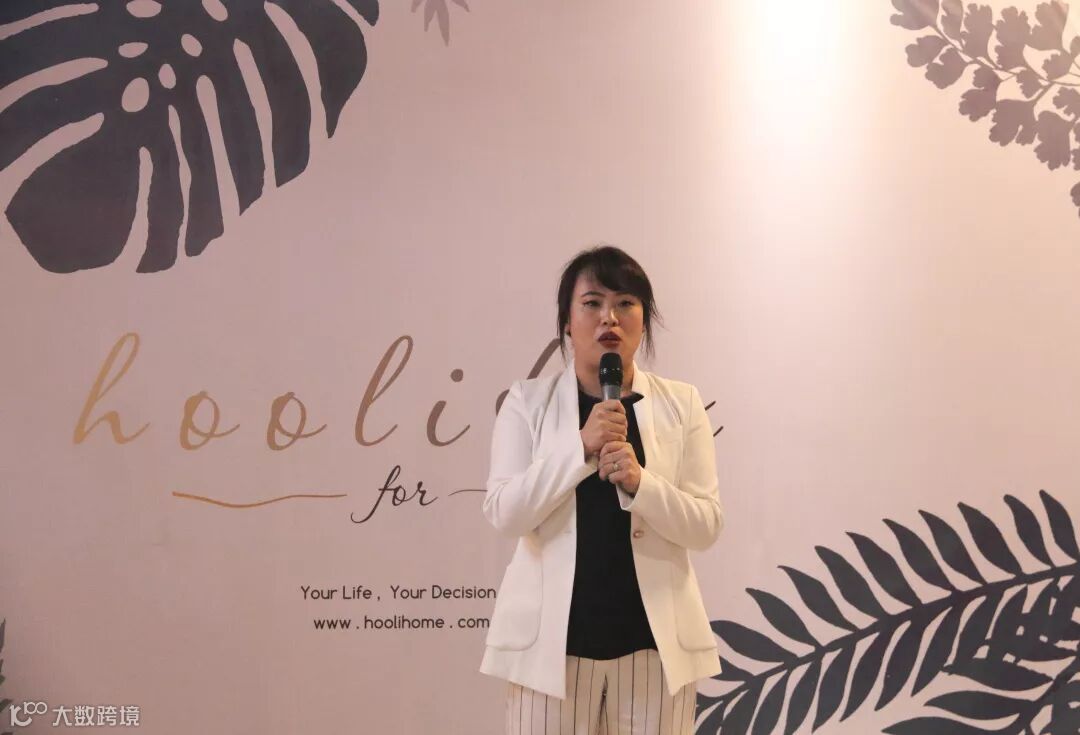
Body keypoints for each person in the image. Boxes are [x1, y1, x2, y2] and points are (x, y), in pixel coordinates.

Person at [479, 245, 726, 735]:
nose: (608, 317)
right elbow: (505, 513)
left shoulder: (682, 403)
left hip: (654, 650)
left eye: (625, 303)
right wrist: (580, 448)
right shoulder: (526, 403)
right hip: (550, 653)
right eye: (592, 303)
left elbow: (706, 526)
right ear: (567, 322)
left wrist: (641, 482)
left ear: (644, 320)